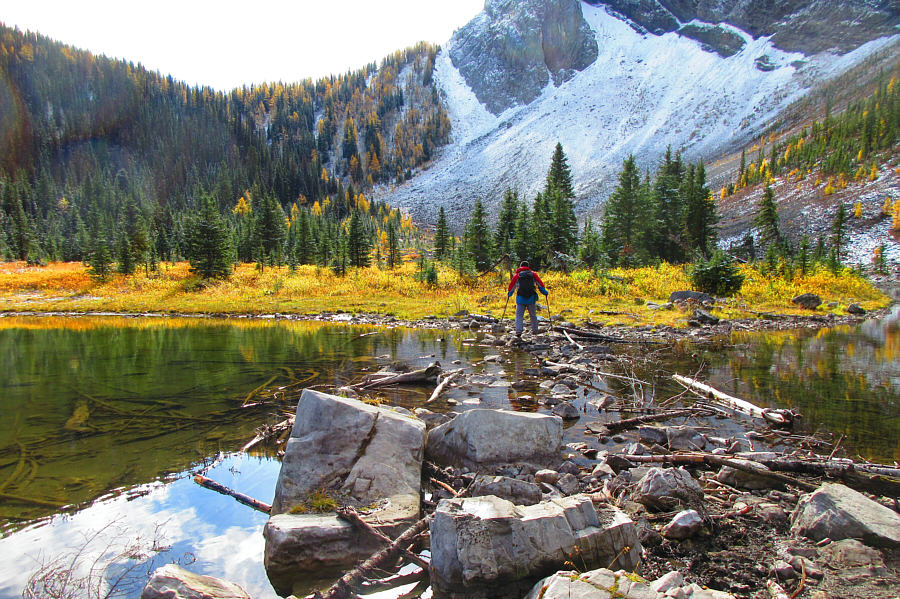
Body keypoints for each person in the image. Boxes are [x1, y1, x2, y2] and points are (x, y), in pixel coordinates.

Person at [507, 261, 548, 336]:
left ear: (520, 267)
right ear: (528, 266)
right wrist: (544, 292)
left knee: (519, 315)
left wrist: (510, 294)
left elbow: (512, 286)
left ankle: (519, 331)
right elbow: (540, 284)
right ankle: (535, 330)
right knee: (533, 315)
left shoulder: (517, 275)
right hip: (531, 298)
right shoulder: (533, 274)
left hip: (520, 298)